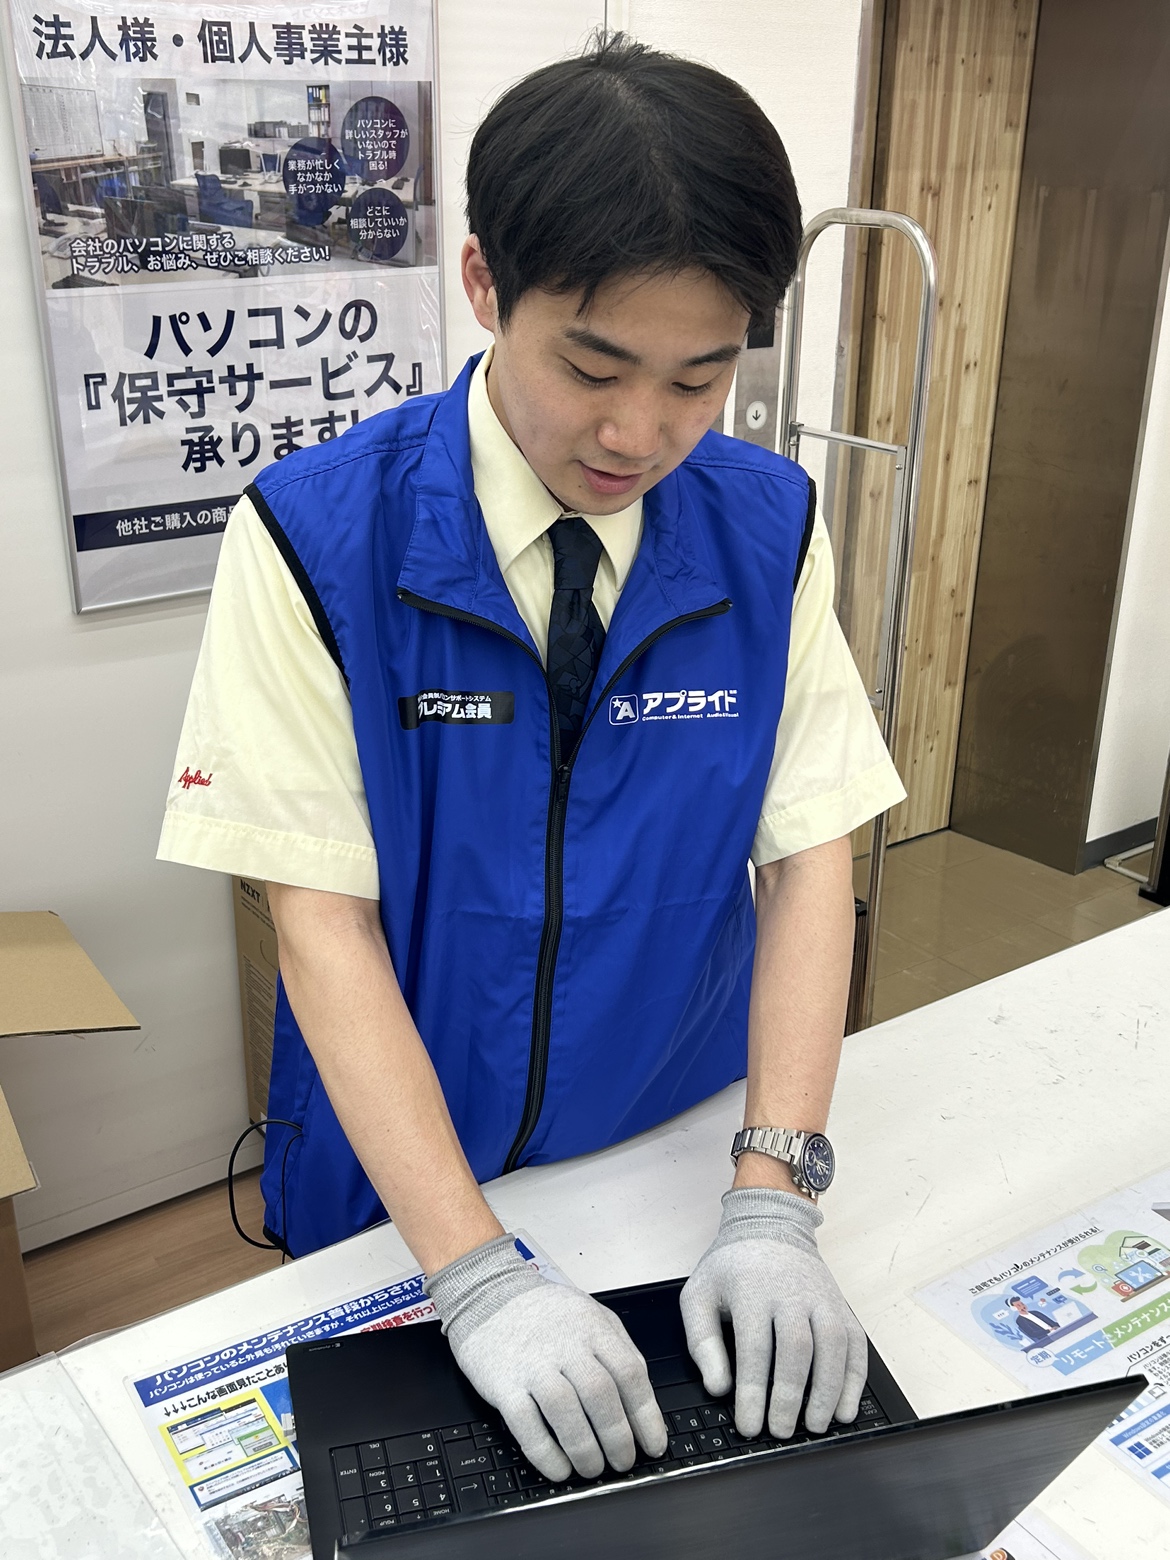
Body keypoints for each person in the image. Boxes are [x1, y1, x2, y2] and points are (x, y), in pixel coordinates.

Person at [158, 34, 905, 1486]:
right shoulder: (317, 536)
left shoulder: (767, 529)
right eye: (592, 365)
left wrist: (774, 1191)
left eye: (701, 378)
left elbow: (812, 852)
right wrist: (475, 1274)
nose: (639, 433)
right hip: (402, 1185)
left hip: (675, 1154)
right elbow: (317, 921)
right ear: (486, 284)